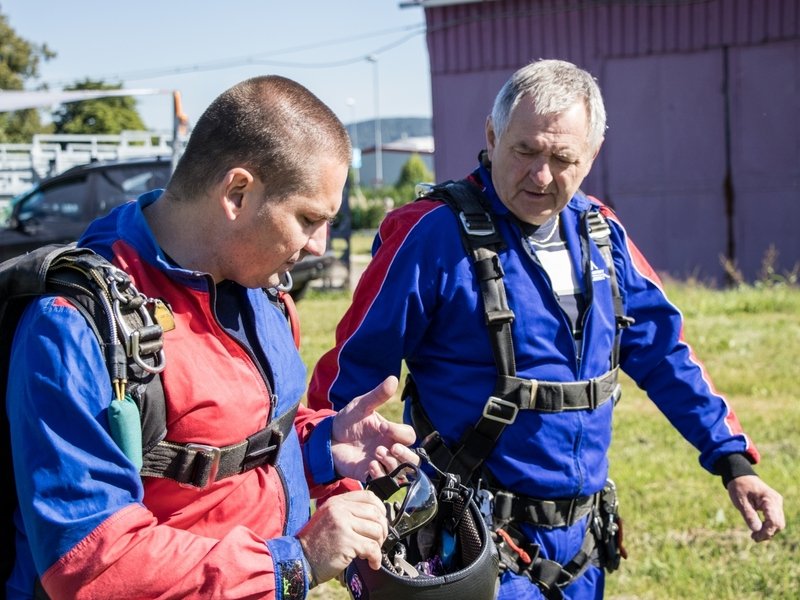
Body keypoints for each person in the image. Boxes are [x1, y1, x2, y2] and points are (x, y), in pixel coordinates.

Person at [307, 59, 785, 599]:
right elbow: (348, 379)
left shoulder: (604, 236)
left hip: (582, 552)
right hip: (472, 546)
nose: (540, 175)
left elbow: (665, 354)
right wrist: (336, 491)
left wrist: (733, 461)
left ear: (593, 154)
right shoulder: (429, 236)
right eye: (525, 150)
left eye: (562, 159)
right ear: (492, 134)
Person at [5, 75, 419, 599]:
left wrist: (324, 444)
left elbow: (236, 451)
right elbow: (90, 563)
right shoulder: (74, 327)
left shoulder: (261, 291)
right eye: (309, 219)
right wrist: (297, 563)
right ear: (237, 193)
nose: (319, 245)